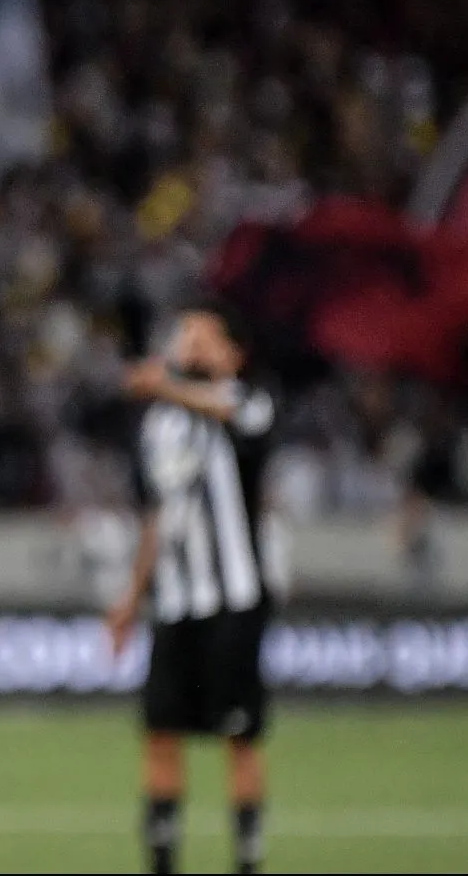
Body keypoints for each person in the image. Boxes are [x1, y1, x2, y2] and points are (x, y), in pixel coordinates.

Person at [106, 304, 276, 876]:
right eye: (186, 337)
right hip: (174, 603)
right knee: (159, 732)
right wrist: (131, 598)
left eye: (206, 338)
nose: (193, 347)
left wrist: (166, 385)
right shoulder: (159, 426)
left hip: (234, 598)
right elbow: (157, 516)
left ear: (232, 354)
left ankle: (247, 862)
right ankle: (161, 863)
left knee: (240, 737)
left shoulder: (247, 403)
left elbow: (235, 412)